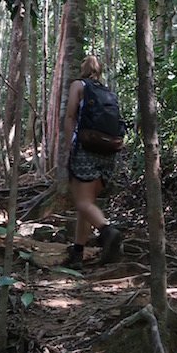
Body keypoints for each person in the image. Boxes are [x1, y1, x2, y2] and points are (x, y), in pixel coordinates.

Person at [62, 55, 122, 268]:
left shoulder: (78, 85)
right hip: (108, 151)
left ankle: (107, 231)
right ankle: (77, 254)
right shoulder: (108, 92)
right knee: (86, 205)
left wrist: (69, 148)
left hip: (86, 149)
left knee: (82, 203)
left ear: (83, 69)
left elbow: (69, 117)